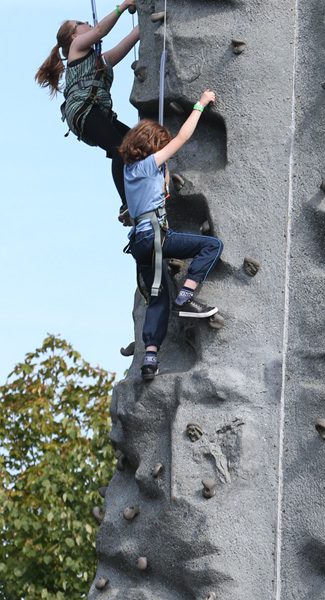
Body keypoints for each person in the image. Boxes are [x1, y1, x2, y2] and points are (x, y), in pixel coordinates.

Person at [118, 90, 223, 381]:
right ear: (152, 146)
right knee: (211, 246)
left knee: (157, 298)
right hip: (155, 238)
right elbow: (182, 138)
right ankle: (186, 298)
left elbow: (148, 198)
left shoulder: (130, 171)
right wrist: (200, 106)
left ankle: (150, 358)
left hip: (140, 243)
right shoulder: (148, 164)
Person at [35, 1, 140, 221]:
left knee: (139, 143)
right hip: (84, 110)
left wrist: (145, 24)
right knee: (120, 148)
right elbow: (101, 30)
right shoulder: (76, 49)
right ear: (73, 36)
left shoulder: (101, 60)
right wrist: (124, 6)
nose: (87, 24)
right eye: (81, 24)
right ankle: (125, 205)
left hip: (96, 113)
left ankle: (142, 193)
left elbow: (131, 39)